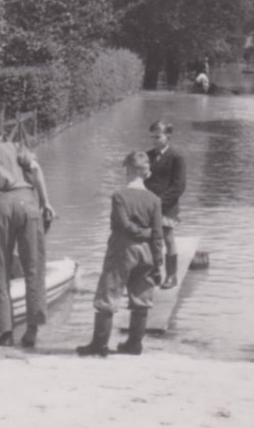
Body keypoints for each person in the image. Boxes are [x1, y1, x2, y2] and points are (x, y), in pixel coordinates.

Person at [0, 124, 55, 347]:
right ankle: (32, 330)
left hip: (0, 208)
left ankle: (6, 332)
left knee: (1, 269)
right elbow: (36, 170)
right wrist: (45, 202)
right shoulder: (16, 147)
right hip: (27, 203)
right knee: (34, 267)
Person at [77, 151, 164, 357]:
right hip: (147, 251)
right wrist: (158, 262)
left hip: (122, 249)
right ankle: (135, 345)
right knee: (141, 299)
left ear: (129, 170)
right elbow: (158, 235)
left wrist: (139, 232)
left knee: (108, 296)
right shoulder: (154, 199)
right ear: (145, 172)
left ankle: (99, 346)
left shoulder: (119, 196)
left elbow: (123, 225)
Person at [144, 120, 186, 290]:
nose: (155, 140)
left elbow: (179, 185)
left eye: (158, 137)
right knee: (150, 238)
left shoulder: (176, 157)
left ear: (168, 136)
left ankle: (171, 275)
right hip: (149, 204)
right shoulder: (147, 156)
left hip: (167, 205)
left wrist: (160, 202)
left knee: (168, 238)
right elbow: (143, 179)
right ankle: (155, 273)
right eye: (152, 137)